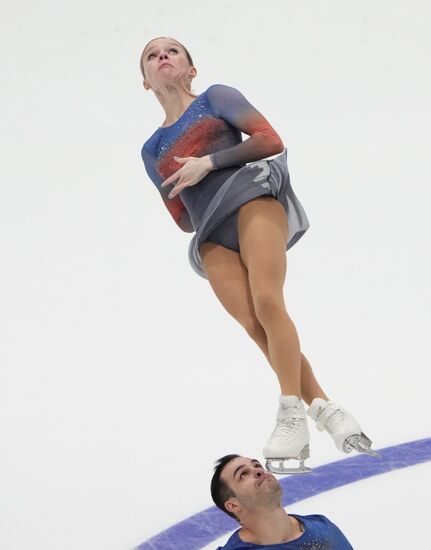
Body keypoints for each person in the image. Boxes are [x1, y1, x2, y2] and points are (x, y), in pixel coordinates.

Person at [140, 36, 379, 473]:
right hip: (211, 234)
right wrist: (186, 186)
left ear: (191, 69)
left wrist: (206, 165)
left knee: (269, 301)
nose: (163, 57)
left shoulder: (216, 98)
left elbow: (270, 139)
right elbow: (183, 219)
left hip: (251, 201)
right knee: (255, 326)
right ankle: (326, 409)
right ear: (145, 82)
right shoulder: (151, 149)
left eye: (172, 51)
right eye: (153, 56)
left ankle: (291, 412)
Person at [210, 454, 354, 549]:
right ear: (233, 505)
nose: (258, 471)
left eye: (257, 465)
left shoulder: (324, 531)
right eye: (243, 474)